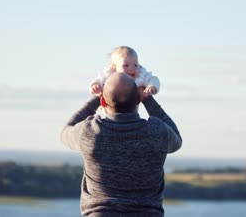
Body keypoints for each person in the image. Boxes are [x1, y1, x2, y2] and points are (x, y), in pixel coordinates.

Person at [61, 72, 182, 216]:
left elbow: (66, 131)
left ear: (104, 103)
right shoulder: (157, 131)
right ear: (138, 100)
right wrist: (148, 100)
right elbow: (176, 139)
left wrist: (97, 99)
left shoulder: (90, 132)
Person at [90, 46, 160, 100]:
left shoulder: (140, 75)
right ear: (114, 68)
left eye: (135, 65)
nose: (131, 68)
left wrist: (151, 86)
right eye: (126, 65)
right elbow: (98, 80)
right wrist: (95, 86)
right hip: (110, 111)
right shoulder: (109, 76)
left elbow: (153, 79)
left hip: (131, 111)